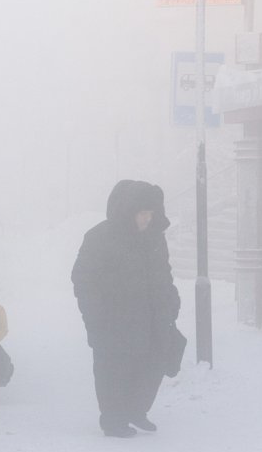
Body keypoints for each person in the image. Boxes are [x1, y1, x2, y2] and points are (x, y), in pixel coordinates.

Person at [71, 180, 180, 438]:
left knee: (152, 363)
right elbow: (83, 279)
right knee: (114, 368)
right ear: (127, 211)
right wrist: (94, 316)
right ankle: (113, 419)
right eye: (142, 213)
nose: (147, 219)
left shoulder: (154, 238)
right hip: (113, 318)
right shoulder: (100, 237)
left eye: (151, 213)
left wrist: (171, 301)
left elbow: (164, 274)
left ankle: (136, 410)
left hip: (152, 316)